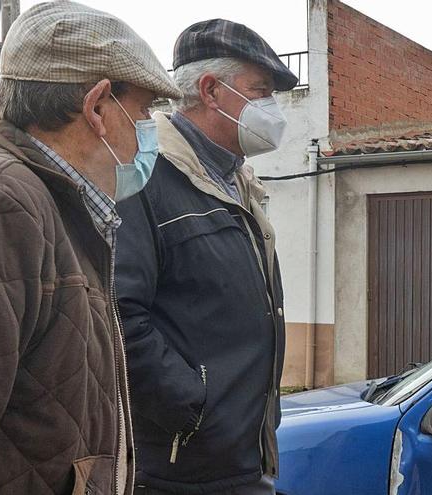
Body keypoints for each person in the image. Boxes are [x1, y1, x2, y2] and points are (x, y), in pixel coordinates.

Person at [0, 2, 181, 494]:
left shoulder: (57, 206)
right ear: (97, 107)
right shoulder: (6, 203)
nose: (148, 130)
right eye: (143, 111)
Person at [114, 18, 296, 494]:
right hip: (181, 470)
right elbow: (118, 312)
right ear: (211, 90)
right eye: (260, 91)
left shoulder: (238, 182)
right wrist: (195, 408)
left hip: (243, 458)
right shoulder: (142, 178)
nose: (272, 108)